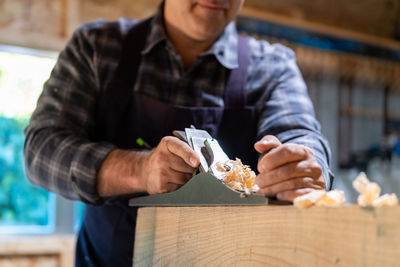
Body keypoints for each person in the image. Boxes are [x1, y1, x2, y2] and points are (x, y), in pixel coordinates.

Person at [24, 0, 333, 266]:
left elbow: (300, 133)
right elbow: (41, 150)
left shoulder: (273, 66)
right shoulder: (96, 46)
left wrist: (301, 163)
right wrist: (139, 169)